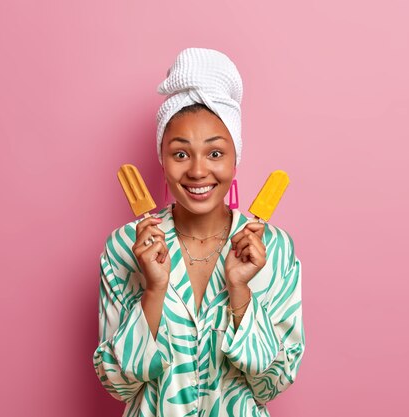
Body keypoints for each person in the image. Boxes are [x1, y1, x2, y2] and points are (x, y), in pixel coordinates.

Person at [93, 48, 305, 417]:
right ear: (162, 158)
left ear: (235, 158)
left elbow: (274, 383)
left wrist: (240, 294)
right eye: (180, 154)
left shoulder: (274, 248)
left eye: (215, 153)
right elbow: (117, 384)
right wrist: (154, 291)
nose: (197, 171)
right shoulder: (126, 247)